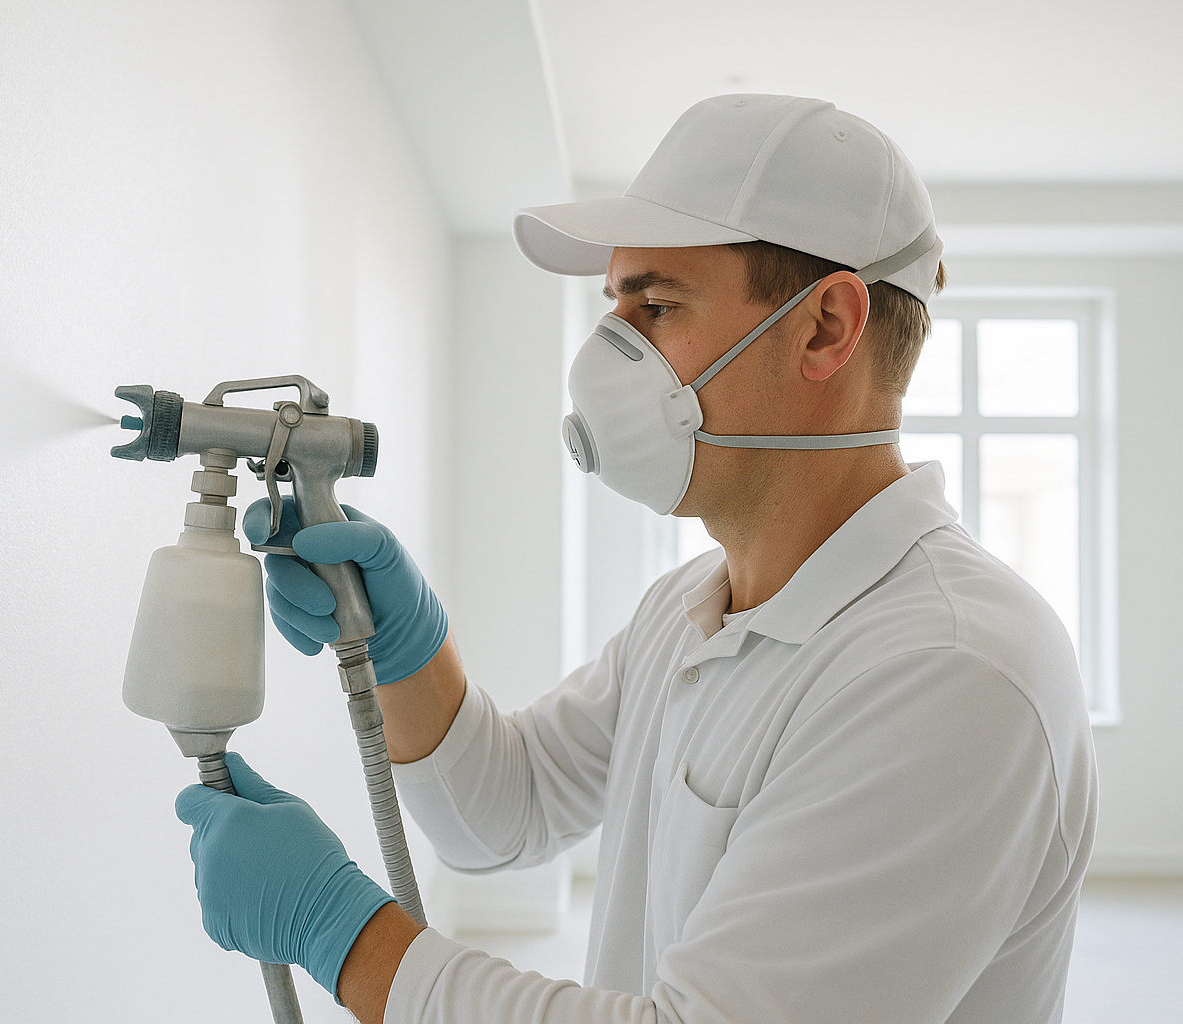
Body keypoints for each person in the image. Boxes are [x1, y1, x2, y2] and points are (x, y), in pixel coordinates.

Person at [174, 94, 1097, 1024]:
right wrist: (406, 653)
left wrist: (343, 936)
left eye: (655, 306)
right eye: (614, 307)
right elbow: (506, 812)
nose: (605, 358)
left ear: (825, 328)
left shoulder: (948, 670)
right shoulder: (692, 609)